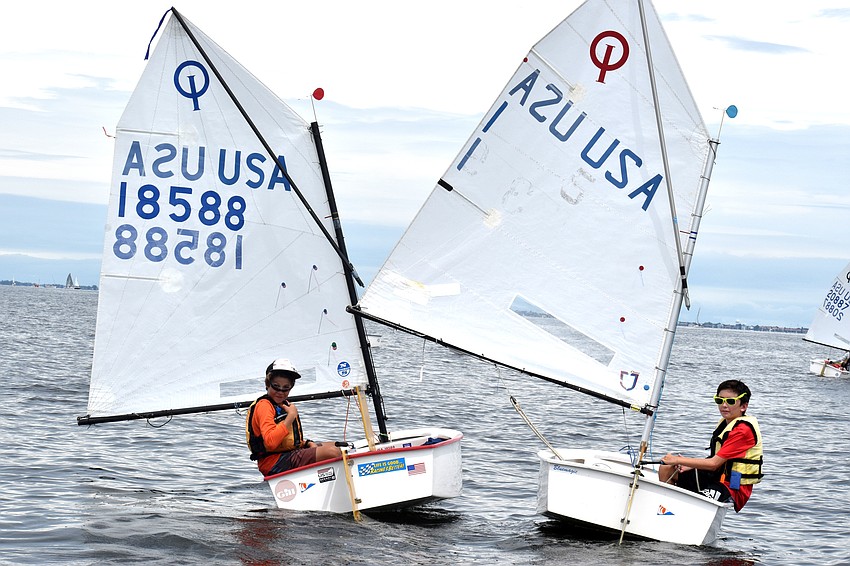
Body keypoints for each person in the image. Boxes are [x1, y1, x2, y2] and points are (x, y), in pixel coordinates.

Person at [658, 379, 763, 512]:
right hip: (716, 476)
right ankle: (667, 511)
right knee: (666, 468)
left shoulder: (743, 430)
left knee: (701, 499)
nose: (724, 405)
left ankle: (683, 515)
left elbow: (714, 464)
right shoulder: (725, 424)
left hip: (732, 487)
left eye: (730, 401)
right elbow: (717, 458)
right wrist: (689, 465)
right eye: (720, 400)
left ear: (743, 406)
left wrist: (678, 459)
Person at [245, 358, 342, 476]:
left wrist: (306, 444)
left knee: (337, 446)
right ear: (267, 384)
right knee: (332, 452)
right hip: (273, 462)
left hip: (285, 455)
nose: (280, 391)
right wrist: (290, 416)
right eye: (276, 386)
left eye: (286, 387)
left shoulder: (283, 405)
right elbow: (270, 442)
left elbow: (288, 440)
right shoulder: (264, 406)